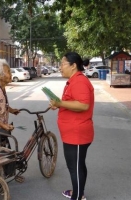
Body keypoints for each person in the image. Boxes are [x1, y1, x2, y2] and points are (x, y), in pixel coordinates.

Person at [49, 52, 94, 200]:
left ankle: (78, 196)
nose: (60, 67)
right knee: (78, 166)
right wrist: (60, 105)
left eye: (62, 64)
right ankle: (78, 193)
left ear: (73, 66)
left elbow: (83, 105)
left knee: (75, 168)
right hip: (72, 134)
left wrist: (60, 103)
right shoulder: (73, 81)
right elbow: (73, 103)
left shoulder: (79, 81)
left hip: (77, 135)